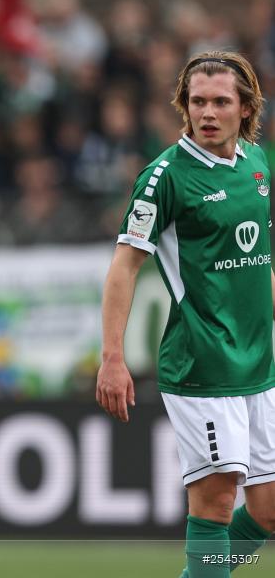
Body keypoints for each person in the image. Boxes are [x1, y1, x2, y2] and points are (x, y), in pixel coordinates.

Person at [97, 51, 274, 578]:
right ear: (184, 106)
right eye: (198, 101)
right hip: (203, 366)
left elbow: (258, 261)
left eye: (222, 101)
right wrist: (112, 357)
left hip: (260, 367)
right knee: (216, 506)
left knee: (267, 511)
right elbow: (123, 269)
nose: (208, 112)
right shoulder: (164, 177)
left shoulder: (257, 165)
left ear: (246, 108)